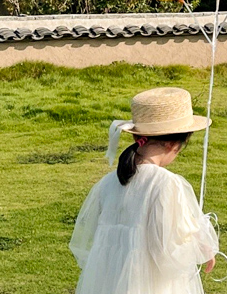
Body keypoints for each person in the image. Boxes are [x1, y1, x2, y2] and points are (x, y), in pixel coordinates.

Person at [70, 87, 219, 294]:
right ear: (172, 145)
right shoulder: (166, 184)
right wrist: (201, 243)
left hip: (109, 282)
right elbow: (170, 250)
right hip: (151, 285)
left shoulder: (109, 182)